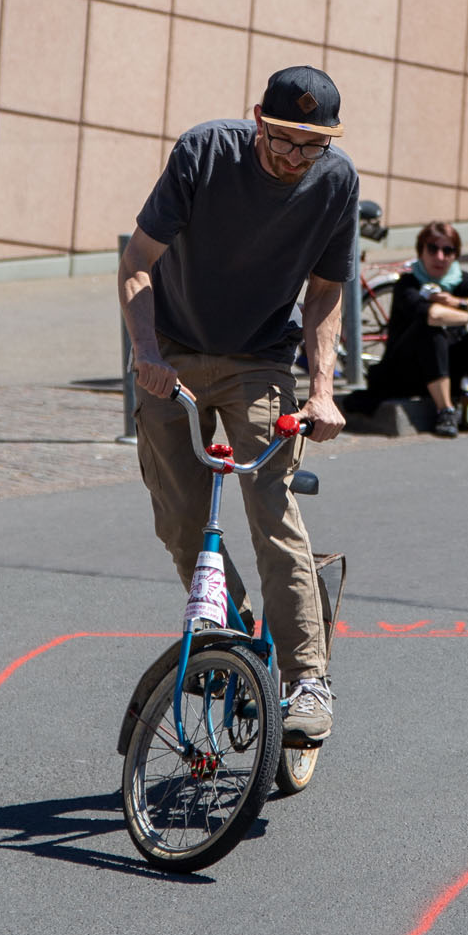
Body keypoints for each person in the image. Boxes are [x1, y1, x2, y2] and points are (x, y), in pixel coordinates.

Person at [118, 65, 356, 747]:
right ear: (257, 118)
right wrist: (147, 356)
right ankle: (230, 632)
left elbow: (325, 292)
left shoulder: (334, 181)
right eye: (283, 140)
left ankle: (308, 677)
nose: (294, 159)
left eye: (312, 146)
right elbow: (137, 261)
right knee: (182, 520)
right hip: (171, 355)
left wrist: (322, 391)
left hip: (259, 360)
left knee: (271, 505)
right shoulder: (204, 152)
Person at [359, 222, 468, 438]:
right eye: (432, 249)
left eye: (448, 250)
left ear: (455, 254)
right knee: (431, 328)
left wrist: (458, 302)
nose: (440, 257)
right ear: (421, 252)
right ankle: (445, 410)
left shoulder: (459, 280)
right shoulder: (407, 283)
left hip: (447, 365)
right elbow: (432, 315)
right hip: (407, 368)